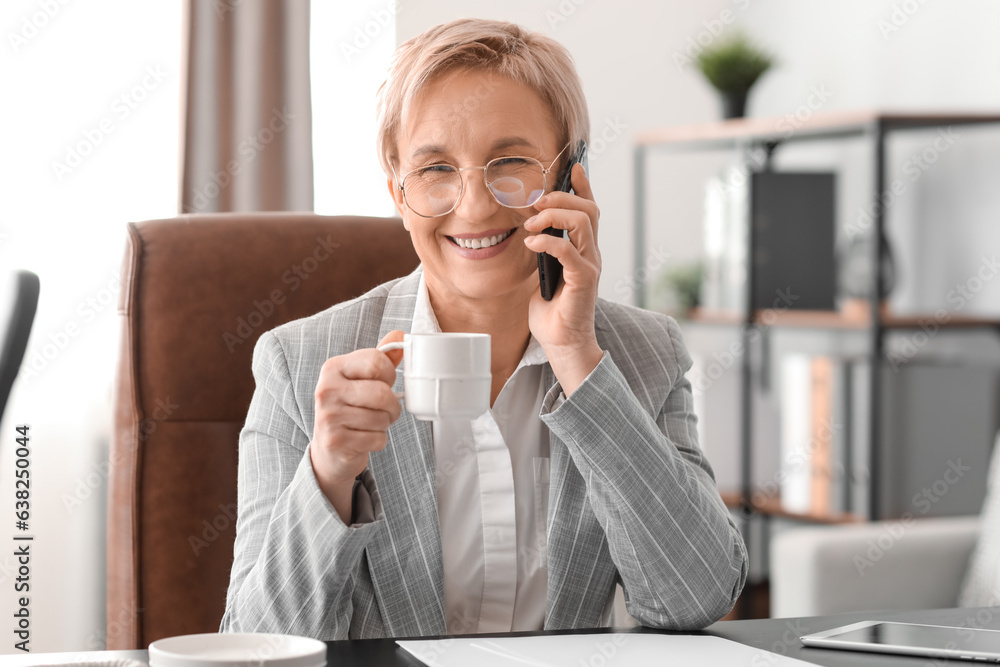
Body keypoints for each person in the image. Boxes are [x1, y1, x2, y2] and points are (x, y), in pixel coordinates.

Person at [221, 18, 747, 640]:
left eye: (511, 161)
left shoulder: (644, 354)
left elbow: (695, 598)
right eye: (436, 169)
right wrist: (329, 473)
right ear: (398, 192)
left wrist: (578, 357)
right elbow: (253, 641)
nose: (473, 206)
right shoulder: (298, 363)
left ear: (567, 179)